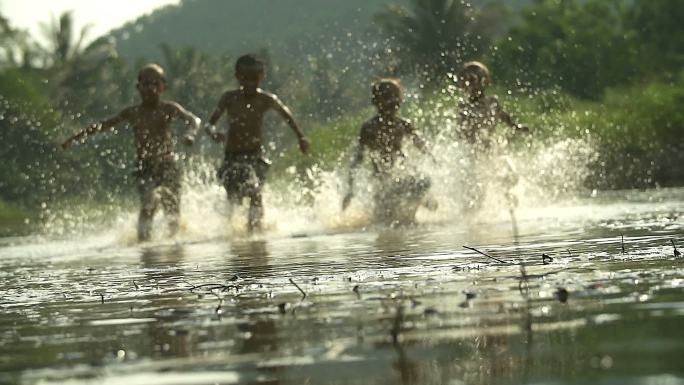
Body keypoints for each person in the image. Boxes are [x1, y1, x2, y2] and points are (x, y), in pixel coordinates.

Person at [61, 63, 201, 241]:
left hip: (168, 164)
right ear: (138, 87)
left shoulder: (169, 109)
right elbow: (103, 125)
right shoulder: (132, 113)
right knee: (148, 204)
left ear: (162, 87)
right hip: (145, 166)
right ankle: (144, 245)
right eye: (146, 84)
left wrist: (191, 133)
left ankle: (174, 247)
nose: (150, 88)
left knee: (171, 209)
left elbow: (194, 120)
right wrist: (75, 138)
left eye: (155, 83)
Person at [205, 54, 309, 232]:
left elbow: (287, 116)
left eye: (254, 79)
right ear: (238, 77)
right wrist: (213, 133)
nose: (250, 83)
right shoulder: (229, 98)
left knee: (255, 193)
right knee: (233, 200)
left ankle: (256, 235)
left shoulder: (266, 99)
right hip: (232, 157)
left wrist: (301, 137)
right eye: (246, 78)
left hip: (256, 157)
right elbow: (209, 124)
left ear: (262, 77)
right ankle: (232, 236)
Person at [342, 78, 434, 225]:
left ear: (401, 99)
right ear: (376, 101)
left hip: (402, 175)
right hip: (381, 182)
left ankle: (415, 210)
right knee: (383, 221)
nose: (392, 100)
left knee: (423, 182)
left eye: (395, 96)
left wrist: (435, 161)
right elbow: (358, 159)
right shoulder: (369, 128)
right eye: (386, 96)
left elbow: (423, 147)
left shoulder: (403, 124)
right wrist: (351, 190)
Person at [456, 61, 529, 211]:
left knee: (511, 175)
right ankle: (474, 214)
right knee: (478, 192)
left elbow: (503, 116)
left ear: (487, 82)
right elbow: (462, 133)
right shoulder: (464, 108)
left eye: (477, 80)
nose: (474, 86)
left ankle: (507, 196)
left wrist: (516, 127)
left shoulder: (493, 102)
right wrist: (473, 136)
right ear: (463, 86)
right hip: (474, 157)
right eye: (469, 81)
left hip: (493, 150)